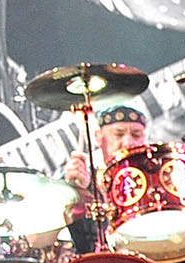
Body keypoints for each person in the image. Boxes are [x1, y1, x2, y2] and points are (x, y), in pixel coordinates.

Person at [59, 103, 152, 252]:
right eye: (118, 134)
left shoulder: (155, 180)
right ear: (98, 137)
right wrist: (73, 191)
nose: (128, 142)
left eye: (136, 135)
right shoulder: (84, 177)